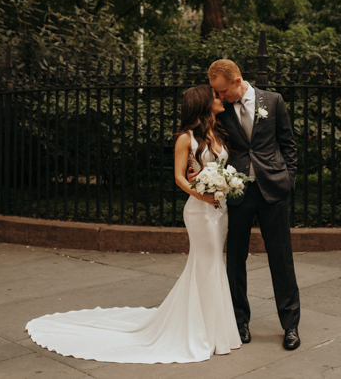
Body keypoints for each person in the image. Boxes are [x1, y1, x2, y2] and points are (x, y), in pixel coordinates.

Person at [25, 85, 241, 363]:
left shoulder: (217, 132)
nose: (219, 98)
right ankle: (205, 333)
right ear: (201, 103)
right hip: (200, 210)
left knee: (213, 264)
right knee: (207, 263)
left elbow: (217, 168)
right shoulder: (185, 139)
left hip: (219, 209)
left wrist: (223, 186)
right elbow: (179, 178)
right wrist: (202, 193)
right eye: (214, 95)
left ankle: (217, 331)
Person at [206, 59, 301, 350]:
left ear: (237, 81)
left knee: (281, 259)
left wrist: (287, 179)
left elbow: (288, 145)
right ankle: (239, 322)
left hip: (273, 190)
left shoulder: (273, 101)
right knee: (235, 259)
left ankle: (290, 326)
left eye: (222, 91)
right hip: (237, 193)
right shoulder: (220, 109)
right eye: (215, 92)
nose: (219, 97)